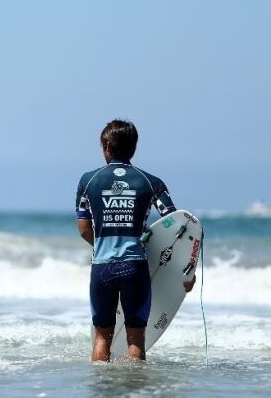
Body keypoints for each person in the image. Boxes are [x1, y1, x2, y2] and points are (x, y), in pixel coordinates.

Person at [75, 119, 195, 362]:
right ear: (133, 147)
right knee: (136, 338)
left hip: (103, 268)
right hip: (135, 269)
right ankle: (135, 391)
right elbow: (176, 226)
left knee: (102, 337)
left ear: (107, 146)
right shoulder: (151, 182)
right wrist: (188, 273)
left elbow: (85, 229)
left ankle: (101, 389)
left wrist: (106, 246)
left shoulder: (88, 181)